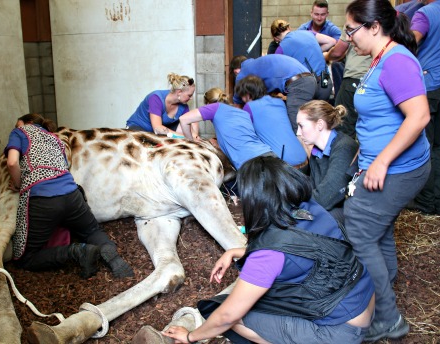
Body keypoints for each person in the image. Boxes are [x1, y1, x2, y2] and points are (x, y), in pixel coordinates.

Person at [160, 156, 375, 344]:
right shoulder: (310, 208)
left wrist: (191, 336)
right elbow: (303, 252)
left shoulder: (268, 255)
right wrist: (237, 252)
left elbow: (227, 316)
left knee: (230, 314)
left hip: (339, 332)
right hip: (364, 301)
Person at [343, 0, 431, 341]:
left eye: (352, 30)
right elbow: (382, 113)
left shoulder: (396, 61)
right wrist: (367, 149)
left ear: (374, 27)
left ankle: (387, 318)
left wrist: (381, 160)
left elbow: (419, 116)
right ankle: (383, 282)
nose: (349, 37)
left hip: (398, 169)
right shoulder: (380, 58)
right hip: (383, 163)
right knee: (377, 229)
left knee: (360, 228)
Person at [6, 113, 133, 279]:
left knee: (26, 258)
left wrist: (17, 183)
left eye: (18, 124)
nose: (17, 127)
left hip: (44, 200)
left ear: (28, 122)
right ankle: (114, 258)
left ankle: (77, 252)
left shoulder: (21, 132)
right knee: (92, 231)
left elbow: (12, 162)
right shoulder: (55, 138)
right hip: (72, 194)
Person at [407, 0, 440, 216]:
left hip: (429, 87)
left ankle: (425, 201)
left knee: (425, 146)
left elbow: (412, 40)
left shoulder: (426, 13)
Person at [179, 88, 274, 170]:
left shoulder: (214, 107)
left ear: (208, 104)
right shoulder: (242, 113)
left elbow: (184, 119)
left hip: (249, 163)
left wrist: (191, 142)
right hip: (268, 154)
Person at [296, 100, 358, 225]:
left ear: (319, 125)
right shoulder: (318, 150)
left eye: (301, 126)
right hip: (332, 208)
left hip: (350, 214)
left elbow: (325, 198)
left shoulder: (344, 148)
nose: (298, 132)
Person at [235, 75, 308, 170]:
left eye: (242, 96)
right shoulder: (279, 102)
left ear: (247, 95)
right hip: (303, 158)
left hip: (285, 166)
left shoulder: (249, 107)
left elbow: (243, 135)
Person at [231, 54, 317, 132]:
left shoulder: (242, 74)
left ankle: (303, 148)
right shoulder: (259, 64)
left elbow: (237, 107)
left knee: (297, 126)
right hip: (310, 78)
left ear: (236, 70)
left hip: (298, 83)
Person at [271, 19, 336, 102]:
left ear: (275, 38)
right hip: (325, 84)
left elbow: (276, 74)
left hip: (306, 88)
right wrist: (315, 51)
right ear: (289, 28)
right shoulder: (308, 33)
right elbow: (331, 41)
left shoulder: (280, 49)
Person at [325, 34, 372, 138]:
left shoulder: (354, 22)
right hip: (373, 78)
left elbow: (337, 53)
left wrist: (325, 56)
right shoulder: (384, 22)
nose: (348, 38)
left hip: (355, 76)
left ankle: (344, 153)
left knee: (343, 126)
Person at [125, 73, 199, 138]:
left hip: (160, 129)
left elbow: (188, 125)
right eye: (189, 95)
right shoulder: (156, 98)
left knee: (193, 121)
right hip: (139, 127)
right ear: (179, 92)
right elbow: (158, 128)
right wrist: (184, 137)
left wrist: (195, 136)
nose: (191, 98)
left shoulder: (184, 106)